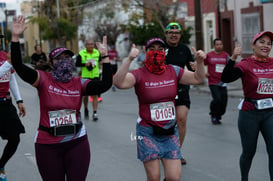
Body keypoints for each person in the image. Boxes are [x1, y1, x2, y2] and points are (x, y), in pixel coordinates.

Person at [10, 15, 112, 181]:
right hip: (48, 144)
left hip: (77, 141)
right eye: (59, 59)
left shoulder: (78, 83)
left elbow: (105, 85)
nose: (64, 61)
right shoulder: (43, 79)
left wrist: (105, 57)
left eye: (67, 58)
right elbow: (20, 68)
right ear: (51, 64)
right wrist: (15, 38)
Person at [113, 37, 206, 181]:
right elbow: (119, 83)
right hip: (147, 131)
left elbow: (198, 79)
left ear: (165, 52)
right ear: (145, 51)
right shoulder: (139, 74)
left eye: (160, 50)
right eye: (152, 49)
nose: (156, 52)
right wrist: (129, 58)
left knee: (173, 177)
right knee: (154, 176)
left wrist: (199, 61)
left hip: (169, 131)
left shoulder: (173, 71)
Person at [221, 31, 273, 181]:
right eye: (262, 42)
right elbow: (226, 78)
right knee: (249, 152)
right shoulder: (246, 64)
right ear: (253, 45)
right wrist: (233, 58)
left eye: (269, 43)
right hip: (250, 113)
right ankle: (244, 178)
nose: (266, 46)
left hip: (270, 113)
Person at [164, 22, 195, 165]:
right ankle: (163, 148)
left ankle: (176, 152)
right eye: (171, 33)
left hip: (181, 89)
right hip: (163, 90)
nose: (174, 35)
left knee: (181, 120)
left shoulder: (184, 49)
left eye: (176, 33)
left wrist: (196, 66)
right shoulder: (161, 48)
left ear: (180, 35)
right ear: (166, 34)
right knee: (165, 123)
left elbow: (192, 70)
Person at [0, 50, 26, 181]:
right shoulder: (8, 59)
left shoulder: (4, 55)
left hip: (5, 104)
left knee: (15, 137)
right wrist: (8, 63)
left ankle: (1, 166)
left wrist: (19, 100)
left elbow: (11, 78)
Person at [204, 38, 229, 124]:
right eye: (217, 44)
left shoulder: (226, 55)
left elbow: (230, 67)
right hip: (213, 82)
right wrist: (204, 73)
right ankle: (213, 114)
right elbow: (201, 64)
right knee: (217, 99)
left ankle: (219, 115)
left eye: (220, 44)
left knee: (224, 101)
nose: (219, 46)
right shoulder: (209, 55)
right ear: (214, 46)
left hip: (223, 82)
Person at [76, 39, 102, 121]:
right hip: (85, 76)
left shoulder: (97, 53)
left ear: (93, 45)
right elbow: (77, 64)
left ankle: (95, 112)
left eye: (91, 44)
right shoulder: (81, 53)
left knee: (94, 95)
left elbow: (100, 62)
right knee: (85, 95)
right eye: (88, 44)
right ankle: (86, 108)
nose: (90, 46)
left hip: (95, 76)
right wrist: (84, 64)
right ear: (85, 45)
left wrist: (99, 67)